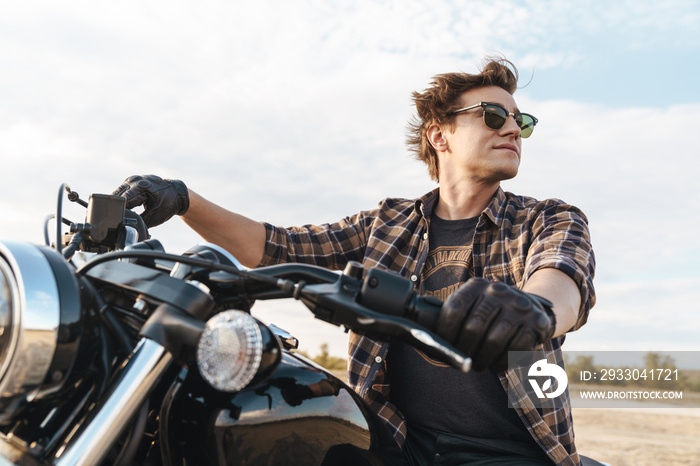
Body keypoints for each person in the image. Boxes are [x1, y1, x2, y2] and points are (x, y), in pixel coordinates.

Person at [113, 57, 595, 465]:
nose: (513, 127)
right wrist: (181, 199)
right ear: (439, 135)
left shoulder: (547, 218)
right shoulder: (386, 225)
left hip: (507, 452)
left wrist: (537, 311)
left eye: (521, 121)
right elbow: (274, 247)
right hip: (396, 443)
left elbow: (561, 277)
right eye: (493, 115)